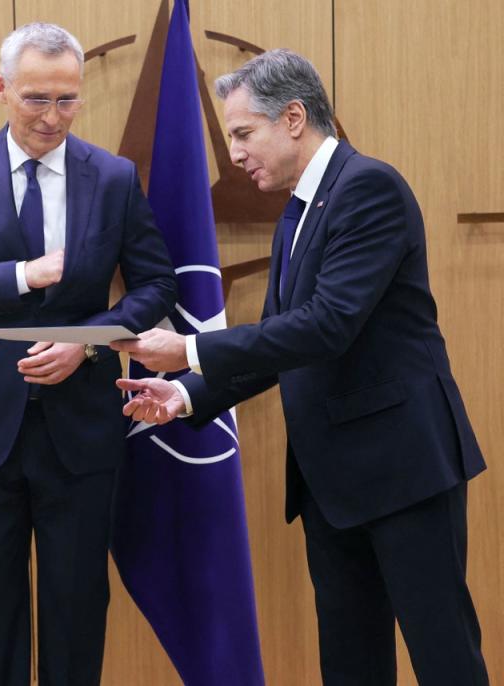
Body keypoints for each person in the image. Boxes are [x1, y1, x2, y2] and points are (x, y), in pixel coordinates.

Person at [113, 49, 488, 685]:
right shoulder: (298, 208)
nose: (233, 154)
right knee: (350, 661)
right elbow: (286, 343)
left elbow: (327, 325)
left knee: (443, 654)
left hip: (403, 469)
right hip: (331, 482)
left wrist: (189, 349)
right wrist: (186, 397)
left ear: (293, 117)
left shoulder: (369, 187)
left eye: (241, 134)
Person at [0, 23, 176, 686]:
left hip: (81, 430)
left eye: (66, 100)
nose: (52, 118)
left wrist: (88, 347)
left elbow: (157, 284)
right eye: (35, 99)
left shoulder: (112, 179)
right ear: (2, 90)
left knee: (77, 608)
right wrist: (21, 276)